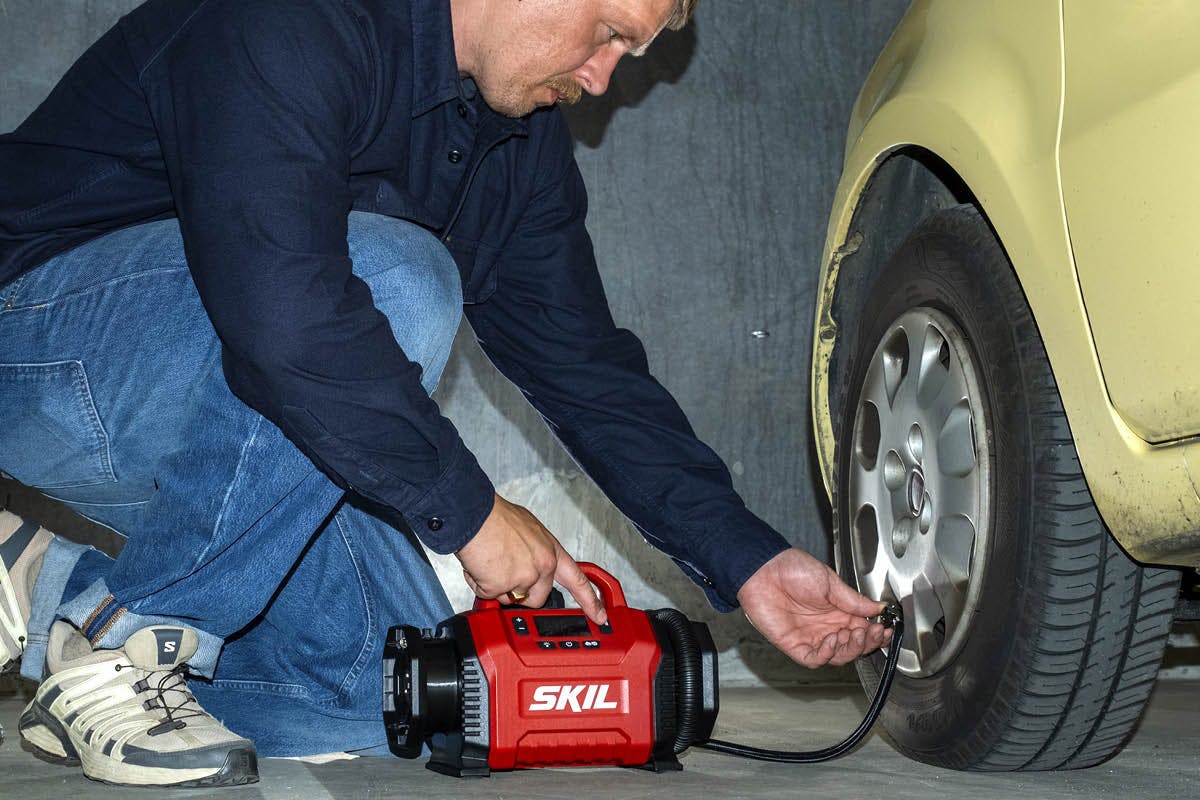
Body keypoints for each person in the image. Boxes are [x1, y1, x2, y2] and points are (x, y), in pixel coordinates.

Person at [0, 0, 892, 788]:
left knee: (395, 693)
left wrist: (749, 561)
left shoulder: (519, 139)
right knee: (397, 277)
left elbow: (587, 368)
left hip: (231, 411)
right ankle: (133, 639)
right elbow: (287, 318)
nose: (602, 77)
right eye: (609, 33)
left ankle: (54, 605)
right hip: (31, 343)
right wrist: (471, 514)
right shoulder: (292, 20)